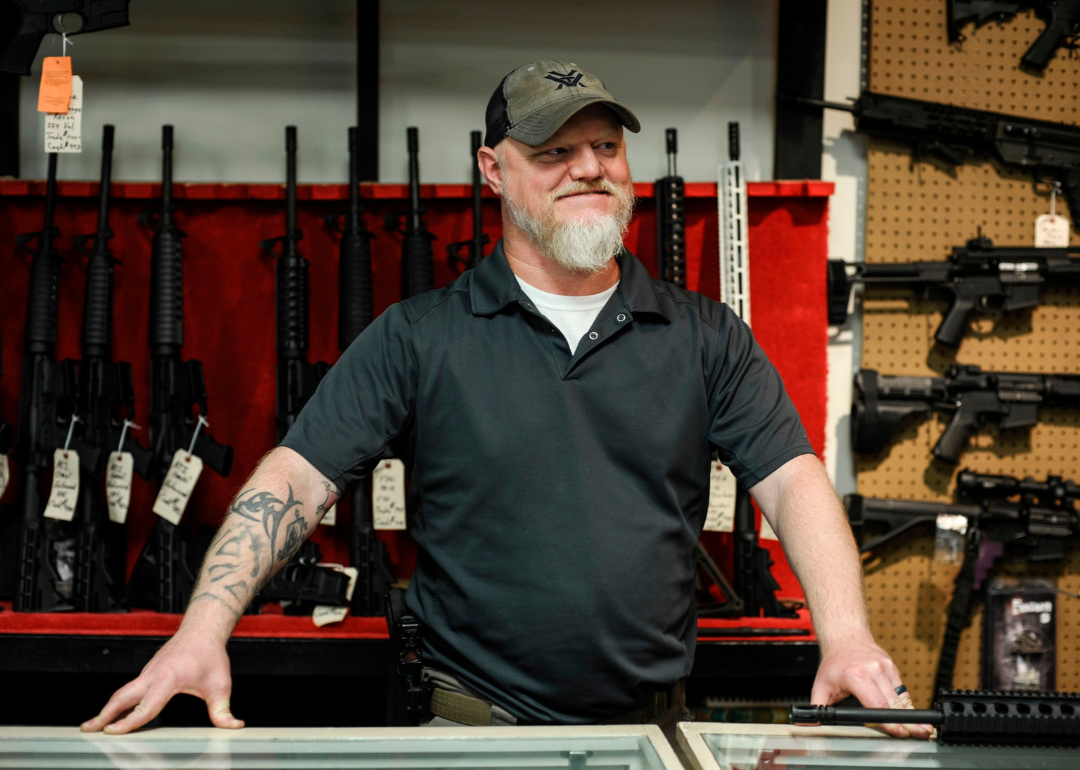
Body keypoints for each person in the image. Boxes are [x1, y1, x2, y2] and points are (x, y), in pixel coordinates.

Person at [81, 60, 930, 740]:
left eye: (603, 146)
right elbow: (297, 479)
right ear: (492, 168)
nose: (588, 168)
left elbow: (792, 482)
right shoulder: (420, 336)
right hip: (466, 740)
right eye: (555, 152)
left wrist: (846, 636)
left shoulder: (704, 336)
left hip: (653, 738)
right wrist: (203, 630)